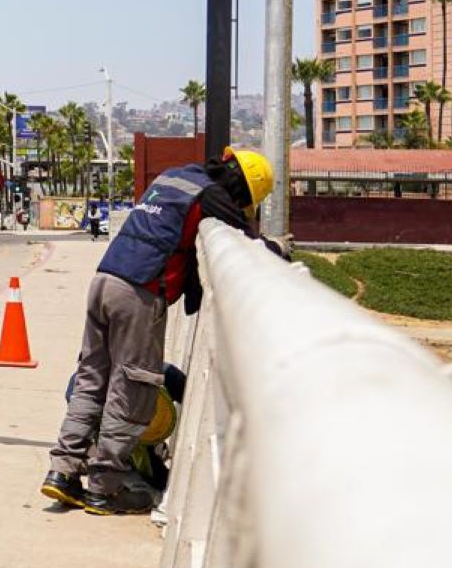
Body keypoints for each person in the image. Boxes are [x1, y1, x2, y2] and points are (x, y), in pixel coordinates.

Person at [40, 147, 278, 516]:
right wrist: (277, 252)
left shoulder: (174, 176)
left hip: (104, 280)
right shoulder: (212, 195)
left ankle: (63, 472)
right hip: (139, 291)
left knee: (91, 379)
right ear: (244, 191)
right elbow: (244, 237)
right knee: (131, 389)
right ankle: (105, 489)